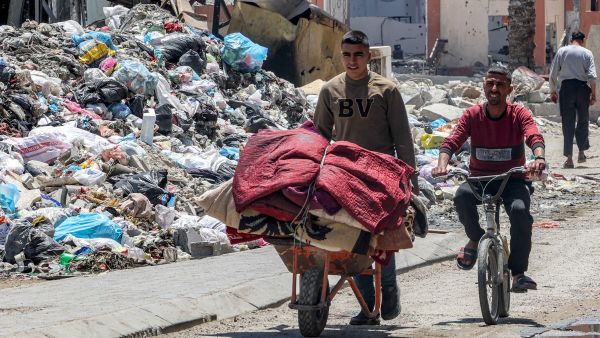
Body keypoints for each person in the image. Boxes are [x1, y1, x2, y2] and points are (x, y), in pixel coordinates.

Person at [313, 30, 417, 325]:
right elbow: (319, 136)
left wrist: (411, 182)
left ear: (369, 56)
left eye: (358, 54)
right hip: (342, 176)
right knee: (353, 240)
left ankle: (389, 289)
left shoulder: (386, 90)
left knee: (383, 238)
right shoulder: (330, 91)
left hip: (382, 176)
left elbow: (403, 139)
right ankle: (367, 305)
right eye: (347, 54)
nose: (352, 60)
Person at [431, 65, 546, 293]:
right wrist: (442, 164)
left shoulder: (518, 114)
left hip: (512, 179)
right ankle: (475, 239)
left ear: (509, 89)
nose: (494, 88)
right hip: (480, 179)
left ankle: (518, 274)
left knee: (521, 213)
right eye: (490, 83)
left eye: (500, 84)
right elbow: (451, 141)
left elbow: (533, 135)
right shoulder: (472, 115)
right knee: (462, 196)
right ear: (484, 87)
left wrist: (538, 157)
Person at [549, 31, 597, 168]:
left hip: (567, 89)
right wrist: (594, 95)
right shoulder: (587, 53)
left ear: (571, 40)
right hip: (582, 89)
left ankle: (569, 159)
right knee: (583, 120)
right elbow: (592, 77)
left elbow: (553, 73)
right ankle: (581, 152)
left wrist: (553, 91)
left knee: (568, 122)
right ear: (583, 40)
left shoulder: (562, 51)